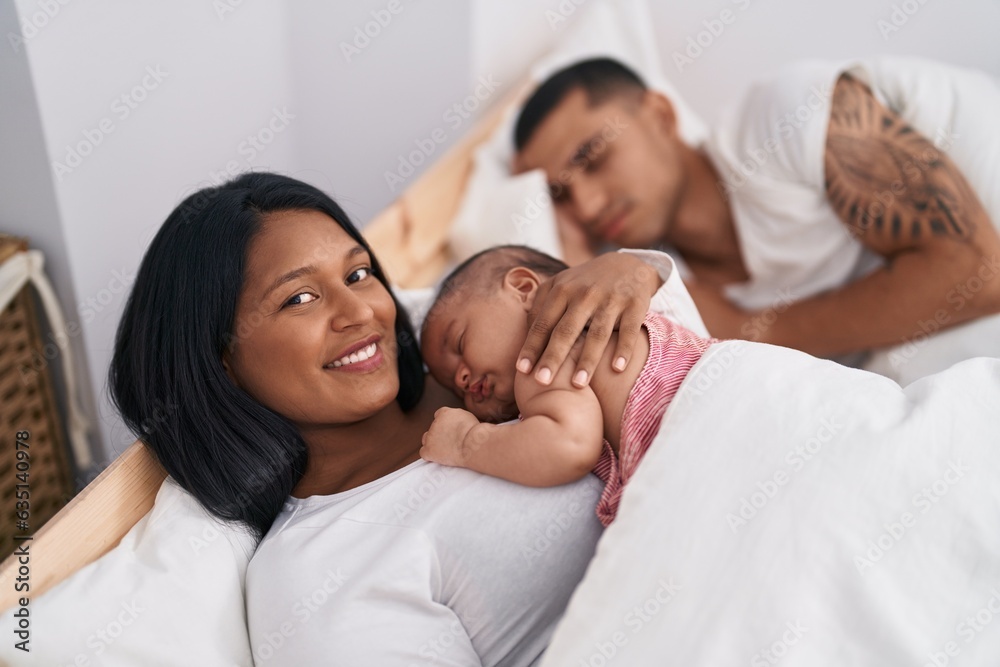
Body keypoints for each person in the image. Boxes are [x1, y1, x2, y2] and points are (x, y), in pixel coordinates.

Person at [108, 172, 672, 665]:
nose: (361, 312)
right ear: (221, 360)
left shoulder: (476, 351)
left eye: (357, 275)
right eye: (299, 299)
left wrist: (637, 271)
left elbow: (670, 368)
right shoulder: (319, 576)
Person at [512, 57, 1000, 386]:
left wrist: (751, 331)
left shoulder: (783, 118)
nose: (589, 206)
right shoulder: (673, 292)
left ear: (660, 115)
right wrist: (571, 259)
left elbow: (979, 273)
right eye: (562, 194)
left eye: (594, 157)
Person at [419, 245, 714, 527]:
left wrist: (465, 442)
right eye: (455, 389)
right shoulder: (626, 311)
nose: (461, 379)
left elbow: (569, 446)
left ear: (522, 289)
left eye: (459, 342)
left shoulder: (538, 361)